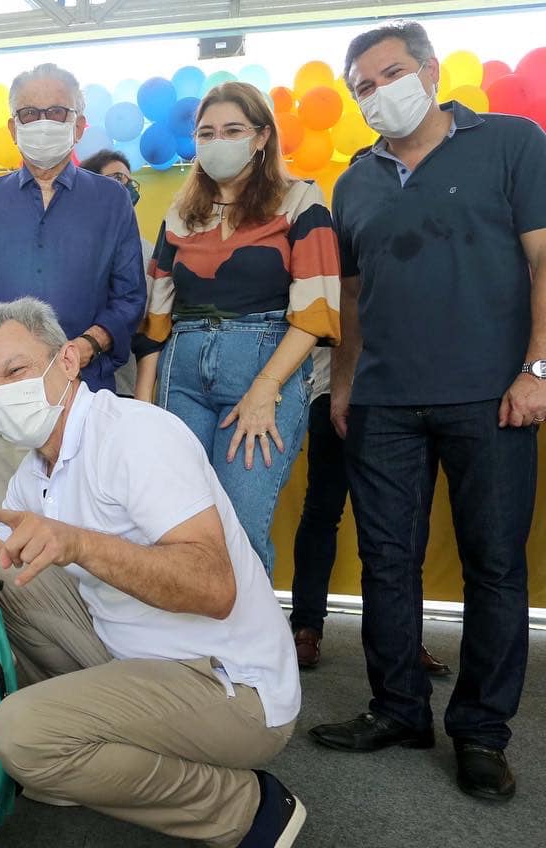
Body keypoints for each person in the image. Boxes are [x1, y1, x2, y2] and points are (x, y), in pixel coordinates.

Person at [310, 20, 546, 802]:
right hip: (383, 404)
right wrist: (347, 382)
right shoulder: (355, 178)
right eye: (361, 85)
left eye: (388, 73)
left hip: (491, 396)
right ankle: (398, 707)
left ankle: (481, 733)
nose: (376, 93)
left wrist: (541, 369)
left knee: (494, 565)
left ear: (428, 71)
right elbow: (354, 296)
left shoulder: (511, 142)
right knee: (386, 564)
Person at [0, 297, 306, 847]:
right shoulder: (38, 463)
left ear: (67, 361)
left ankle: (245, 808)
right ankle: (80, 751)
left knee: (19, 735)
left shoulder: (137, 435)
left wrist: (80, 544)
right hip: (135, 655)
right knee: (4, 585)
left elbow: (214, 587)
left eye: (14, 371)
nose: (0, 394)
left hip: (229, 683)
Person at [135, 82, 340, 581]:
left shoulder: (300, 200)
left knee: (241, 524)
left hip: (265, 367)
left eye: (232, 130)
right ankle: (186, 655)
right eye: (206, 132)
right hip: (180, 372)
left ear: (261, 137)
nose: (217, 141)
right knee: (175, 521)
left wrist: (265, 390)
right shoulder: (180, 212)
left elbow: (315, 311)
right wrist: (143, 404)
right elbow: (157, 318)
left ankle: (247, 659)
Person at [0, 63, 145, 534]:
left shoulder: (110, 201)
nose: (42, 122)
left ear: (80, 123)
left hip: (81, 396)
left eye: (56, 111)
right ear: (13, 127)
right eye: (29, 114)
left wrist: (83, 348)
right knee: (7, 544)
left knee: (86, 538)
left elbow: (130, 296)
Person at [288, 347, 455, 677]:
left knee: (403, 524)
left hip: (400, 402)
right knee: (322, 512)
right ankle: (306, 627)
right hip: (331, 391)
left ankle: (405, 639)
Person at [78, 148, 152, 398]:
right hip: (79, 373)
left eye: (129, 180)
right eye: (118, 178)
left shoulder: (146, 248)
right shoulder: (74, 241)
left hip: (124, 377)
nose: (126, 186)